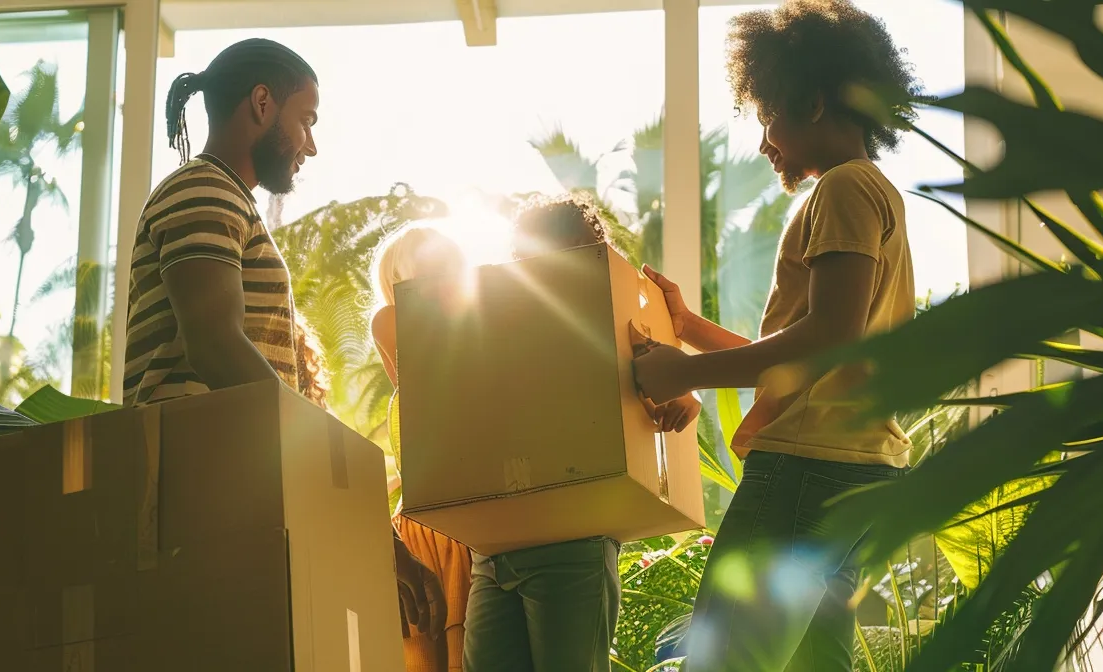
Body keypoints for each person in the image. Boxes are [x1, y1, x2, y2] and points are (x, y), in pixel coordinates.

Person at [629, 1, 925, 669]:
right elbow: (811, 355)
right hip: (860, 471)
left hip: (806, 471)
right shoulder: (877, 192)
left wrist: (681, 374)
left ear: (813, 102)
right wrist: (688, 329)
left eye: (768, 117)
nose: (764, 142)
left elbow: (828, 340)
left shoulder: (842, 190)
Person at [123, 37, 447, 648]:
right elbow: (215, 348)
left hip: (222, 484)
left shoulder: (226, 201)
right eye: (306, 120)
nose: (311, 144)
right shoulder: (203, 192)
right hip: (198, 485)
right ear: (263, 103)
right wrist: (331, 486)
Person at [458, 194, 701, 672]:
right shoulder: (497, 324)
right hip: (495, 552)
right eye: (528, 258)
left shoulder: (614, 324)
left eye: (562, 255)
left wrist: (679, 399)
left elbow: (673, 389)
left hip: (574, 545)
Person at [370, 226, 477, 672]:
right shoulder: (391, 320)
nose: (444, 275)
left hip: (475, 515)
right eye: (430, 264)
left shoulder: (474, 319)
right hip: (430, 522)